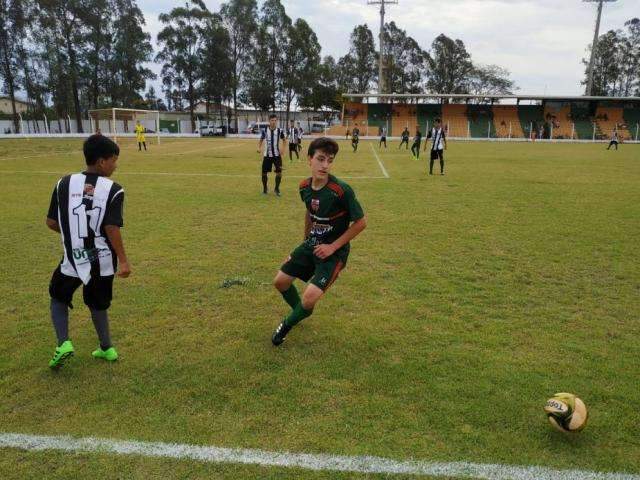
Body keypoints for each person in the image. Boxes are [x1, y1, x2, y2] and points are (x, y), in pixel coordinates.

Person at [46, 134, 131, 369]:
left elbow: (51, 223)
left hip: (74, 257)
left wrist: (74, 236)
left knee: (58, 296)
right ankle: (107, 348)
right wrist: (123, 261)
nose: (116, 165)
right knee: (98, 303)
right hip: (101, 258)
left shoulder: (63, 184)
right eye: (114, 160)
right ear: (102, 162)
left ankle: (63, 343)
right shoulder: (114, 189)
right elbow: (111, 227)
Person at [271, 137, 367, 346]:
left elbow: (361, 223)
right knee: (280, 281)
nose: (325, 165)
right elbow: (310, 212)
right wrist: (304, 242)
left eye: (329, 160)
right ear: (309, 160)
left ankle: (287, 324)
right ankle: (301, 313)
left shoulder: (341, 190)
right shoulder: (304, 186)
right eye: (321, 159)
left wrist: (332, 247)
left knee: (309, 298)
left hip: (334, 252)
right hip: (312, 243)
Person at [257, 114, 286, 196]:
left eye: (275, 120)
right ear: (269, 121)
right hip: (267, 155)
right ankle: (265, 189)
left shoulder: (280, 131)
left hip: (277, 156)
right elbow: (261, 140)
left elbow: (284, 140)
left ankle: (276, 189)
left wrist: (283, 149)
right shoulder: (265, 130)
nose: (274, 122)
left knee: (279, 173)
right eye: (272, 120)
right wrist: (259, 148)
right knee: (264, 173)